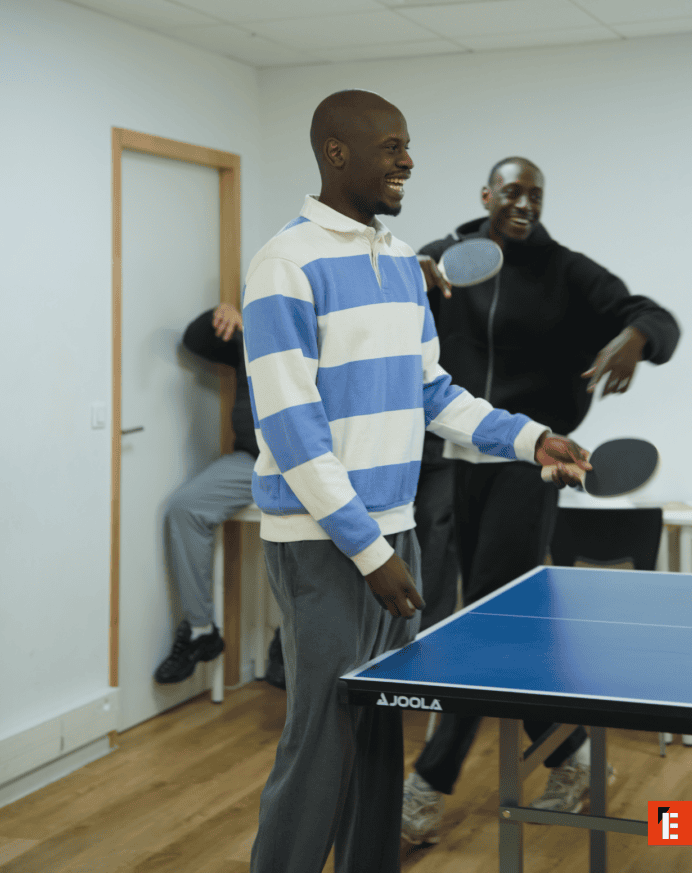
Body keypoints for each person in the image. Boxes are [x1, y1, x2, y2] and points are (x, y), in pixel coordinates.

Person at [242, 92, 591, 873]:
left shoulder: (399, 261)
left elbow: (432, 391)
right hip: (324, 544)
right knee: (320, 739)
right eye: (391, 146)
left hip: (392, 531)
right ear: (337, 153)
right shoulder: (283, 265)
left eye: (408, 146)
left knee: (377, 732)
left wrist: (530, 438)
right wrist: (370, 552)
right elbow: (292, 432)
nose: (407, 160)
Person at [401, 156, 681, 844]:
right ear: (487, 195)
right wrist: (411, 275)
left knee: (481, 621)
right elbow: (391, 299)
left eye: (536, 194)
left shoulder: (568, 271)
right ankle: (575, 757)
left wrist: (635, 339)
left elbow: (655, 316)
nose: (525, 204)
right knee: (512, 628)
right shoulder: (446, 258)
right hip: (458, 457)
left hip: (533, 461)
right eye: (512, 192)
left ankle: (427, 785)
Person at [154, 303, 258, 684]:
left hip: (311, 465)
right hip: (254, 461)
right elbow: (195, 341)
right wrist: (222, 312)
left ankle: (289, 644)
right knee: (184, 508)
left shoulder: (322, 334)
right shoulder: (253, 335)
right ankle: (201, 630)